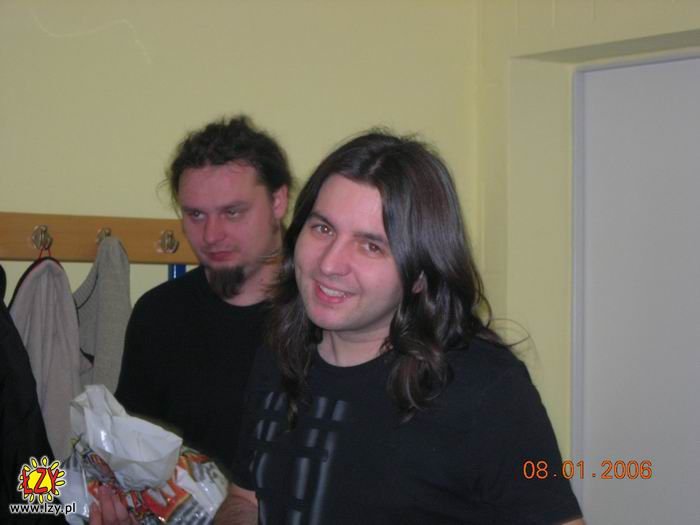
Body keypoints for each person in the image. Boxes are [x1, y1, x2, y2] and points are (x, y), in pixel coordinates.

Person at [216, 131, 584, 524]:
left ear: (420, 276)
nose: (329, 264)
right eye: (323, 229)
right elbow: (246, 498)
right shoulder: (279, 353)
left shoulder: (486, 389)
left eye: (371, 246)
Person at [115, 115, 291, 472]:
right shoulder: (158, 315)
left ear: (278, 202)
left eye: (232, 212)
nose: (211, 235)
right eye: (195, 215)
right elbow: (132, 458)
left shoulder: (326, 315)